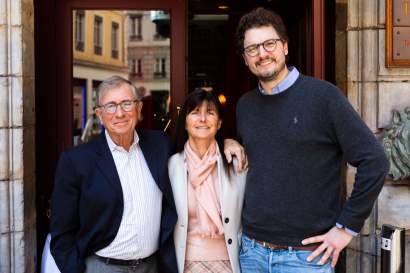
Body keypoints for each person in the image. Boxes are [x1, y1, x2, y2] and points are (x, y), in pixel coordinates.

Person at [231, 7, 389, 273]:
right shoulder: (245, 106)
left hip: (305, 258)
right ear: (245, 59)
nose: (262, 54)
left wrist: (345, 229)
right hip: (252, 253)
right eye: (253, 49)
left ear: (285, 47)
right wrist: (229, 142)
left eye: (269, 44)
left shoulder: (324, 97)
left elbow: (375, 162)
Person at [50, 76, 177, 273]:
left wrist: (228, 145)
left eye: (126, 104)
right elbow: (62, 235)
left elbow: (194, 154)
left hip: (153, 266)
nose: (120, 113)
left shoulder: (161, 145)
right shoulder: (76, 161)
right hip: (101, 267)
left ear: (139, 108)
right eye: (110, 106)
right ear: (99, 114)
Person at [169, 89, 246, 273]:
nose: (202, 119)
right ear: (186, 123)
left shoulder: (236, 162)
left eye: (210, 113)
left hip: (230, 262)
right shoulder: (172, 165)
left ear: (219, 123)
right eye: (195, 112)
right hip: (187, 263)